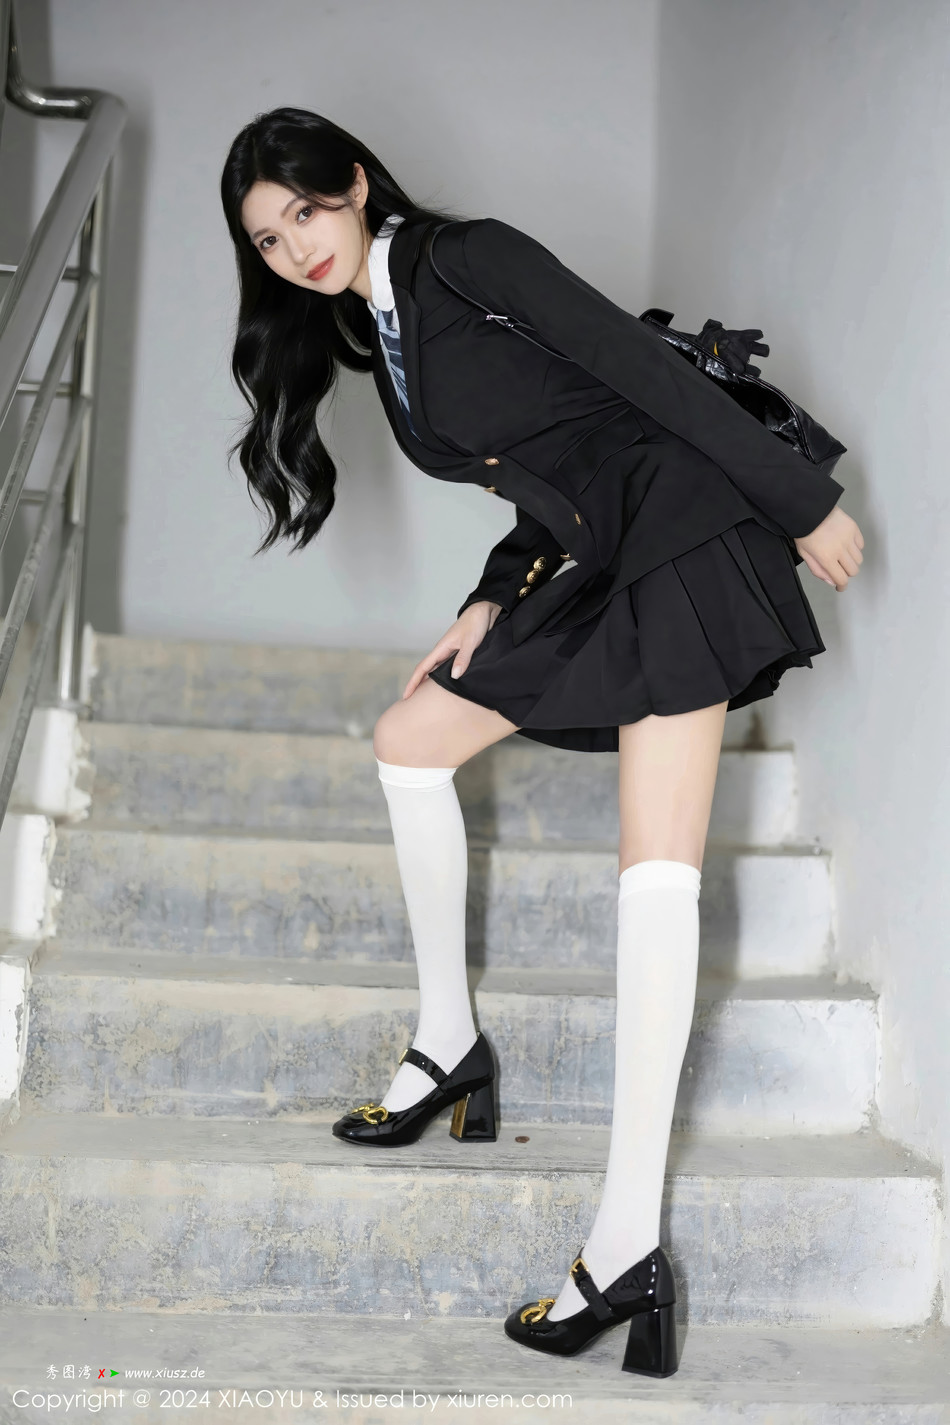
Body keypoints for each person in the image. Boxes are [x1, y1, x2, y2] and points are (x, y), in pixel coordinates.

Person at [220, 108, 864, 1377]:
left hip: (685, 534)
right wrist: (488, 598)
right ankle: (448, 1045)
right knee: (409, 739)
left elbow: (640, 377)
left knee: (653, 876)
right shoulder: (385, 329)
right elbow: (555, 453)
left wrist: (800, 503)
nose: (295, 248)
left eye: (304, 211)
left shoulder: (468, 258)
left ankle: (623, 1246)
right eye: (268, 238)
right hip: (606, 545)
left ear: (356, 183)